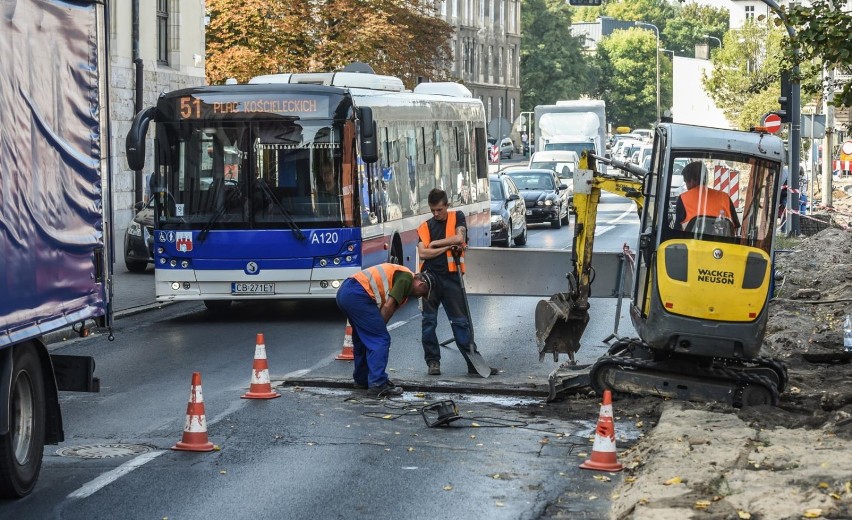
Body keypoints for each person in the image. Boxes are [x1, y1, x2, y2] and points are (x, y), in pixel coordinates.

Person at [417, 188, 496, 377]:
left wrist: (435, 244)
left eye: (439, 210)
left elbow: (459, 238)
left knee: (461, 322)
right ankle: (433, 362)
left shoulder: (457, 217)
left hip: (452, 279)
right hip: (430, 280)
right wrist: (447, 247)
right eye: (433, 210)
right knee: (429, 323)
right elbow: (423, 253)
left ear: (447, 206)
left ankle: (473, 363)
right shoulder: (425, 227)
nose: (436, 214)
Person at [336, 264, 433, 397]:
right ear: (421, 284)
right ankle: (378, 383)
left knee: (363, 339)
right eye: (422, 293)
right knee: (380, 340)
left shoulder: (402, 277)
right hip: (357, 294)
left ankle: (362, 379)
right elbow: (388, 306)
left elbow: (388, 309)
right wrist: (378, 330)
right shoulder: (406, 279)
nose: (419, 296)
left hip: (346, 291)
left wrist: (376, 328)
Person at [675, 161, 740, 234]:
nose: (686, 187)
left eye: (686, 182)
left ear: (692, 181)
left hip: (693, 243)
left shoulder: (683, 198)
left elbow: (677, 230)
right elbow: (735, 227)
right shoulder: (725, 197)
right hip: (721, 244)